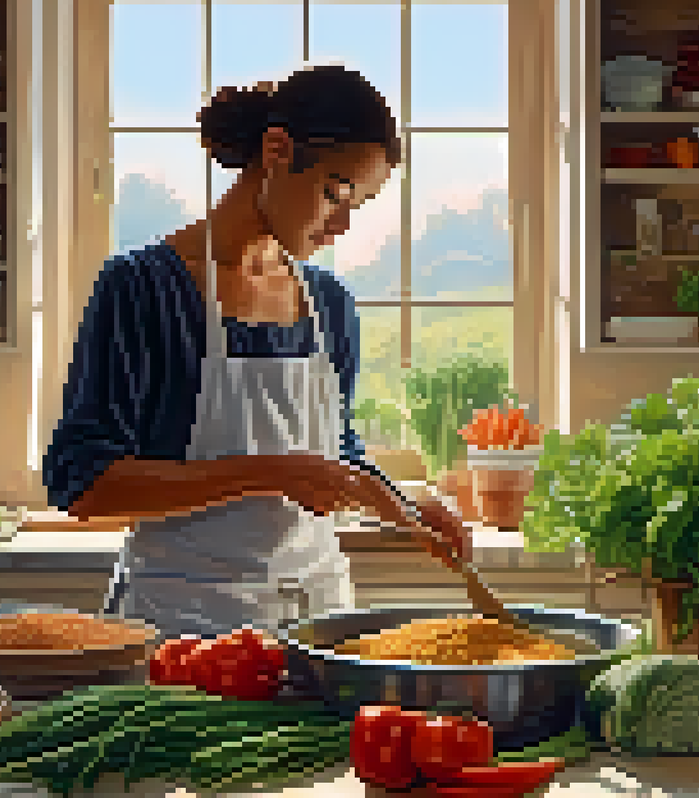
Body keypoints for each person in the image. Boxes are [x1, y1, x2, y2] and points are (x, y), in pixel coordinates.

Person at [45, 65, 469, 640]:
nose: (341, 225)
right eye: (335, 193)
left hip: (322, 625)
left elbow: (332, 457)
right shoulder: (143, 287)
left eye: (359, 205)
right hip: (185, 631)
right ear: (276, 150)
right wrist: (271, 473)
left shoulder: (330, 305)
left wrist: (406, 503)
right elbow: (85, 484)